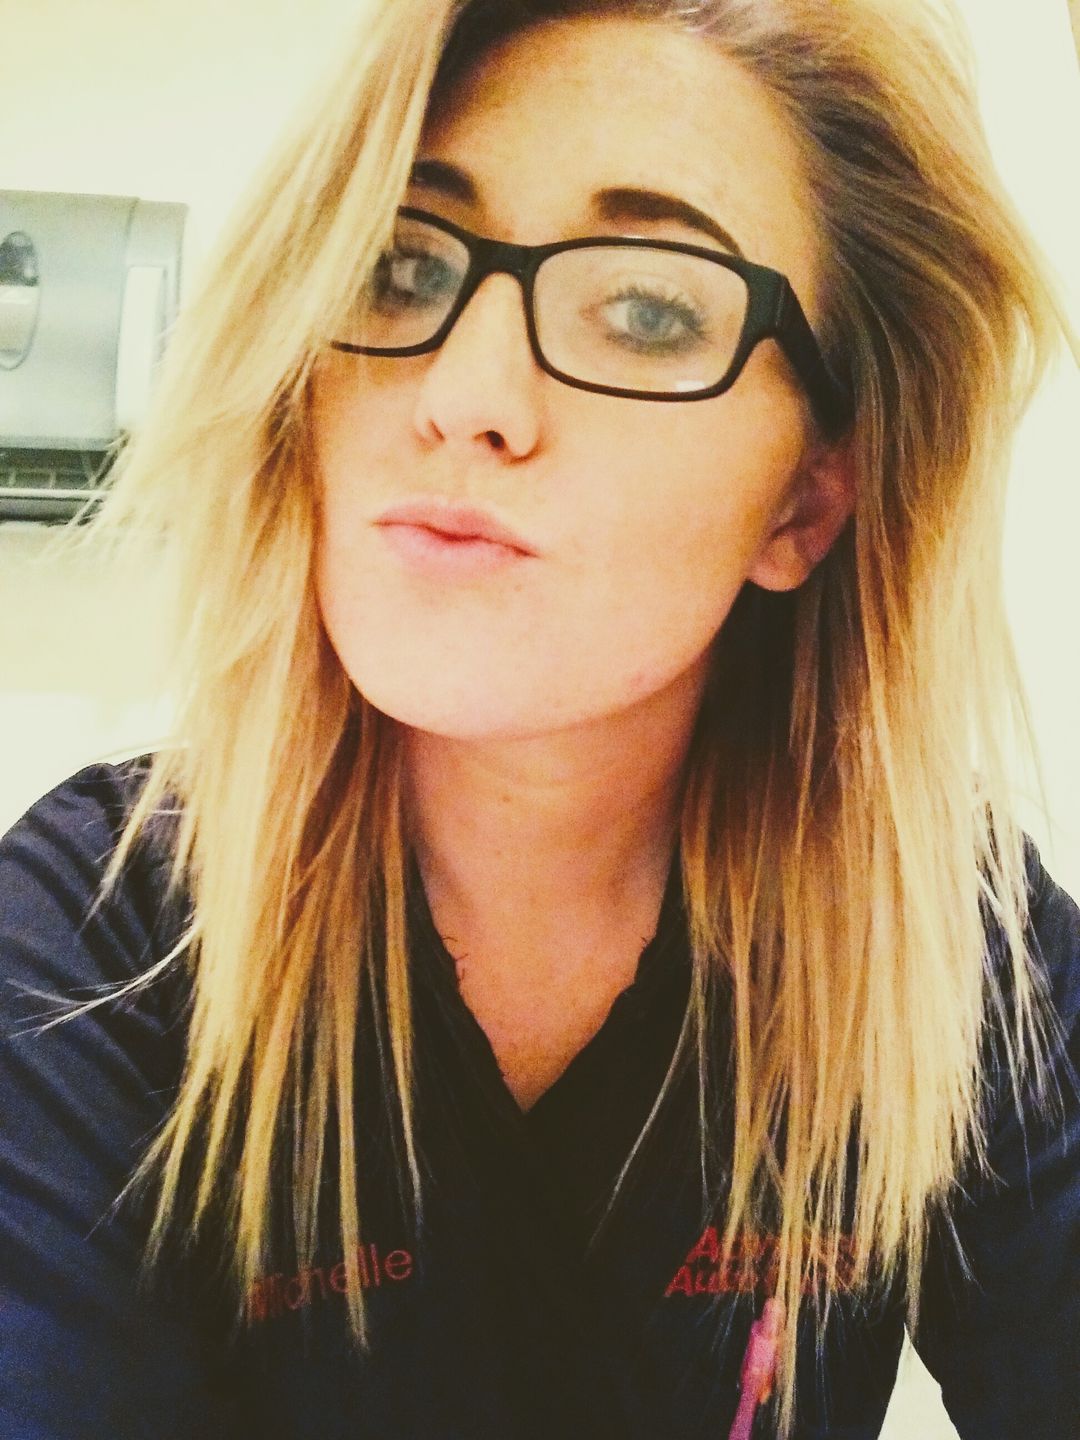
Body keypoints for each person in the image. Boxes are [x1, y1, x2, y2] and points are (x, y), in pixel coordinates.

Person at [0, 0, 1077, 1436]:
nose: (463, 396)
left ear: (807, 500)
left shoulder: (950, 944)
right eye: (399, 270)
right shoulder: (95, 945)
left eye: (647, 310)